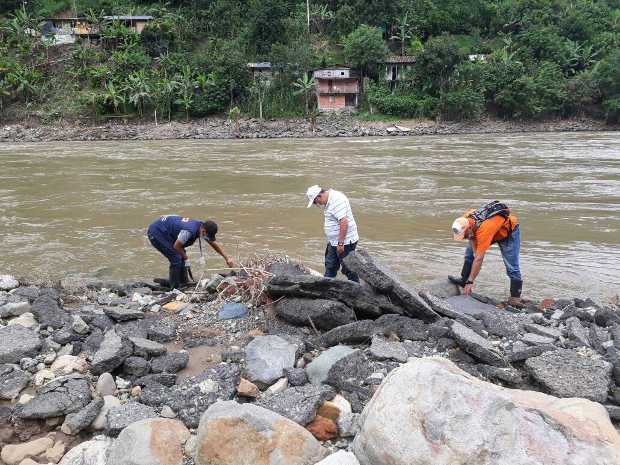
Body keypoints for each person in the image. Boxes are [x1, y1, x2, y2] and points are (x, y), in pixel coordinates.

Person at [449, 201, 523, 306]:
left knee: (512, 266)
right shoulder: (465, 219)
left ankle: (515, 299)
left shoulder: (484, 230)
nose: (465, 238)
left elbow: (479, 258)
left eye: (465, 236)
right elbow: (473, 245)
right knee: (469, 254)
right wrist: (468, 279)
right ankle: (463, 280)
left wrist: (471, 282)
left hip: (508, 233)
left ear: (469, 229)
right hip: (487, 230)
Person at [147, 215, 234, 289]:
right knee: (176, 257)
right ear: (203, 231)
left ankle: (183, 281)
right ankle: (174, 288)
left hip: (166, 231)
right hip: (156, 232)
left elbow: (212, 243)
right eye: (207, 236)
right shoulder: (189, 231)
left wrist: (226, 258)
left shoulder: (202, 227)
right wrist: (186, 258)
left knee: (180, 254)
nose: (207, 239)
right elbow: (176, 246)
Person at [305, 185, 359, 282]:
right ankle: (326, 288)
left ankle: (359, 291)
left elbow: (344, 222)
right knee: (330, 266)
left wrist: (341, 243)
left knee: (349, 269)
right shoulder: (328, 200)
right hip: (333, 241)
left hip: (345, 242)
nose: (317, 204)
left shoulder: (337, 200)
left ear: (319, 196)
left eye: (315, 202)